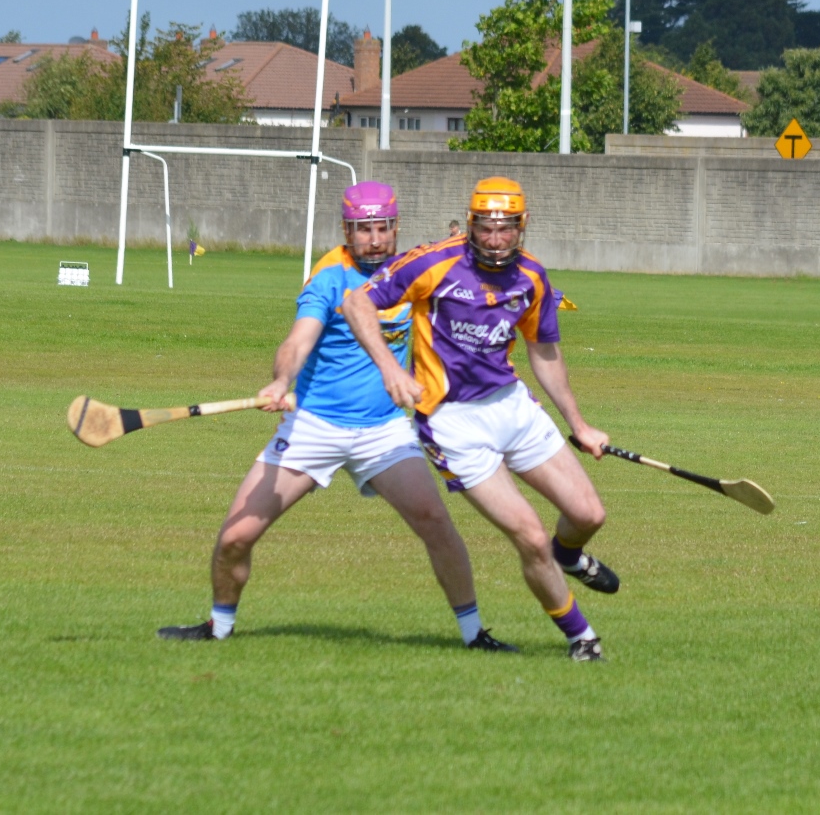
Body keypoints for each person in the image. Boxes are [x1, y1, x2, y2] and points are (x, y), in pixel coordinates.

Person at [158, 181, 515, 652]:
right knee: (236, 536)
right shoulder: (329, 277)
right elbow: (297, 342)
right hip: (313, 428)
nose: (374, 238)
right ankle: (218, 627)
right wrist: (280, 381)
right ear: (347, 230)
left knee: (435, 522)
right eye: (362, 229)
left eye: (382, 228)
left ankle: (474, 635)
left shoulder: (410, 274)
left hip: (384, 432)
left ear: (396, 226)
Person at [344, 176, 617, 662]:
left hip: (510, 405)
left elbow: (544, 350)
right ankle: (582, 638)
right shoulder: (435, 262)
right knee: (530, 535)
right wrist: (389, 368)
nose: (494, 239)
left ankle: (569, 557)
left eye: (505, 229)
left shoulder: (531, 277)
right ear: (470, 225)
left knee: (588, 514)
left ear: (522, 227)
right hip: (452, 424)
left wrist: (579, 424)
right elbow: (356, 301)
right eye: (485, 228)